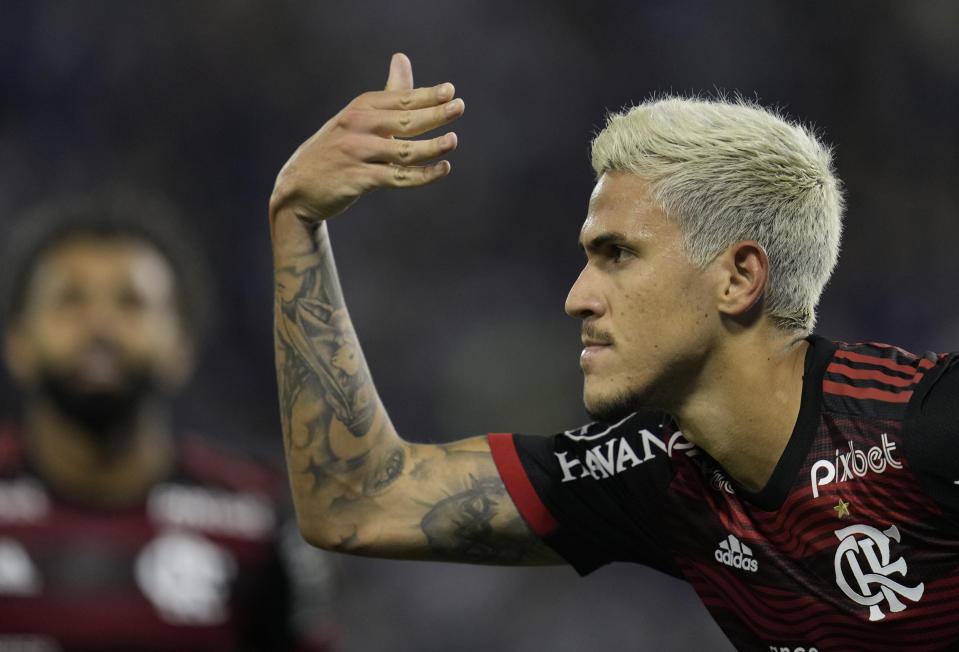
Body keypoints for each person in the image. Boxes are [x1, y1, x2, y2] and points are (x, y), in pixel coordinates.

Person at [268, 53, 959, 651]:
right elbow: (355, 502)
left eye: (617, 254)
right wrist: (296, 219)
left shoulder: (920, 424)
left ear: (738, 277)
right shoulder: (653, 472)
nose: (576, 297)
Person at [0, 194, 338, 651]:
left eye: (131, 302)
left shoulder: (257, 520)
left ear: (180, 346)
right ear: (18, 342)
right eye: (69, 300)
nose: (100, 325)